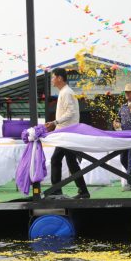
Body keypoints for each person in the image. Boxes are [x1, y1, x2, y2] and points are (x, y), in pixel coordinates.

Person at [44, 68, 90, 199]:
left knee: (56, 160)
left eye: (53, 77)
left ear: (59, 78)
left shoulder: (66, 92)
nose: (52, 80)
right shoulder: (65, 92)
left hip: (67, 133)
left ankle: (56, 191)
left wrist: (55, 122)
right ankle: (83, 191)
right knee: (70, 162)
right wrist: (55, 123)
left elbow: (71, 113)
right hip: (66, 132)